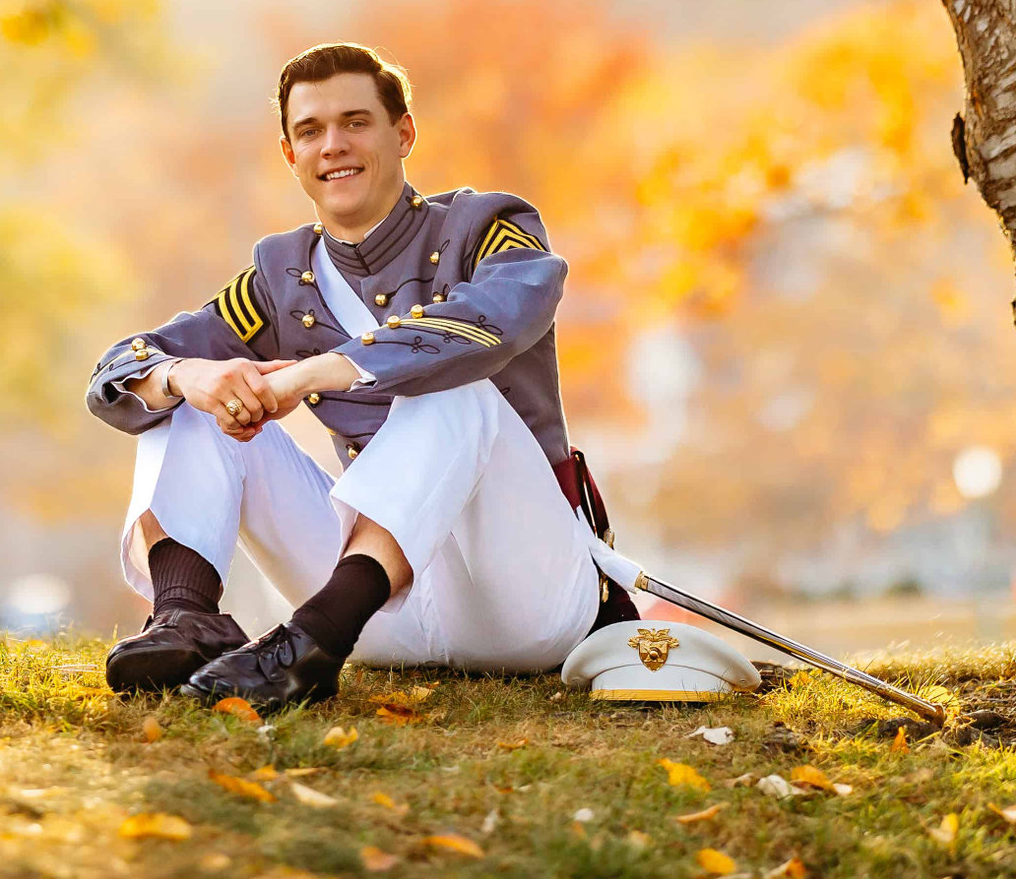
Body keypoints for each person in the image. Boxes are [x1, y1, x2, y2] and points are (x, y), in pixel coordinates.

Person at [84, 42, 635, 712]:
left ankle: (311, 644)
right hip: (384, 619)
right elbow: (123, 366)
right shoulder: (279, 278)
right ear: (290, 154)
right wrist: (186, 374)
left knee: (454, 388)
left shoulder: (488, 228)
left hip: (523, 601)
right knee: (201, 392)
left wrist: (312, 373)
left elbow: (499, 315)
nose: (333, 145)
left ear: (403, 132)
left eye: (355, 122)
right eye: (310, 131)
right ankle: (187, 616)